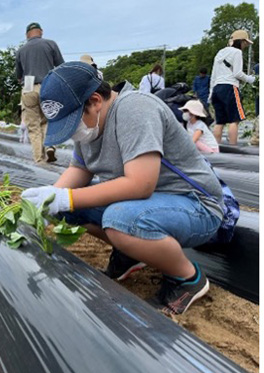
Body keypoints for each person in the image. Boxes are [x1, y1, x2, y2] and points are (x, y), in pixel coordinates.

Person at [22, 62, 224, 315]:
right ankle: (131, 253)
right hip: (149, 204)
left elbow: (140, 185)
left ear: (95, 101)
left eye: (73, 122)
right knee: (66, 209)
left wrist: (66, 198)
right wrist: (44, 203)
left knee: (118, 220)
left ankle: (188, 279)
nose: (73, 133)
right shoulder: (92, 127)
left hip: (195, 206)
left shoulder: (134, 109)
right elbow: (80, 170)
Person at [15, 22, 63, 164]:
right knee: (48, 119)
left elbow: (18, 75)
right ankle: (50, 146)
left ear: (26, 35)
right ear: (41, 31)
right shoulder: (50, 44)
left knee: (33, 126)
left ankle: (39, 159)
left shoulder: (21, 50)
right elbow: (61, 66)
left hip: (29, 87)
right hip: (49, 85)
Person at [209, 30, 256, 145]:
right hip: (229, 88)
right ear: (241, 41)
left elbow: (213, 75)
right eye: (245, 43)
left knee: (219, 122)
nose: (245, 46)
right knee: (234, 120)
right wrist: (251, 79)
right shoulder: (237, 52)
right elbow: (237, 73)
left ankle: (216, 151)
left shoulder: (220, 53)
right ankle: (233, 150)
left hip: (216, 89)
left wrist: (211, 93)